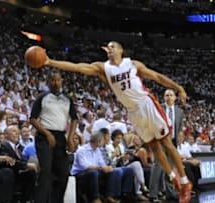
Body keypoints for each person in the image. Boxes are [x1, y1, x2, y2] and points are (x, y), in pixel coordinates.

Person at [42, 41, 192, 203]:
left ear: (121, 50)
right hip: (133, 112)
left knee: (167, 143)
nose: (110, 49)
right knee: (154, 147)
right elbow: (78, 67)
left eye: (113, 46)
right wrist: (50, 62)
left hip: (147, 104)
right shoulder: (104, 68)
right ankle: (173, 178)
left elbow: (157, 77)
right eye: (108, 47)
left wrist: (179, 88)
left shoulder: (132, 64)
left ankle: (184, 182)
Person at [30, 70, 78, 203]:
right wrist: (47, 133)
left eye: (58, 80)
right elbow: (33, 119)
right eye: (53, 80)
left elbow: (74, 119)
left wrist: (70, 137)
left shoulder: (67, 98)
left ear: (61, 81)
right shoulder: (42, 97)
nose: (55, 83)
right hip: (44, 136)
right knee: (46, 172)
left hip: (61, 136)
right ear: (48, 82)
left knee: (63, 173)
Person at [71, 132, 123, 203]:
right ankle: (94, 198)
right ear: (98, 142)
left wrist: (107, 167)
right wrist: (101, 168)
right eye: (102, 140)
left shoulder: (97, 150)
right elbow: (85, 166)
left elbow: (102, 163)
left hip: (95, 170)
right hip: (80, 173)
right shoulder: (82, 150)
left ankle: (109, 196)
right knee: (93, 173)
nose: (103, 142)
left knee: (112, 171)